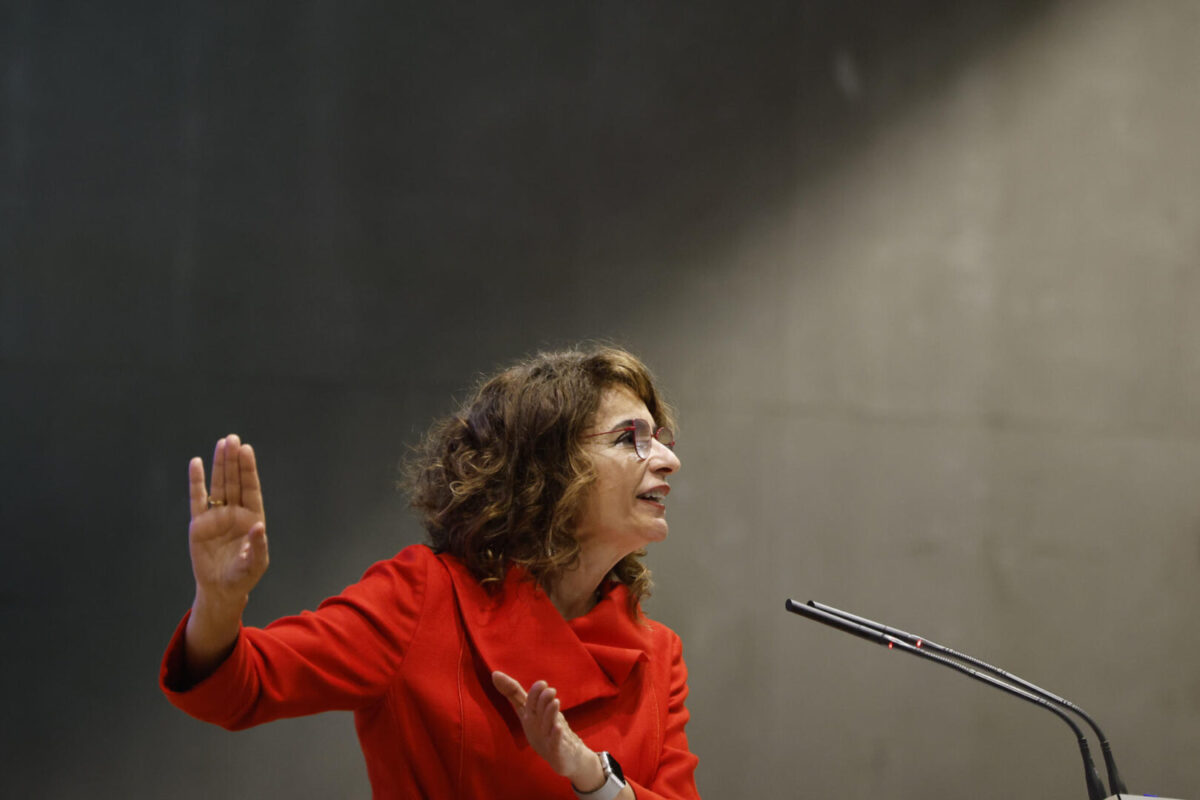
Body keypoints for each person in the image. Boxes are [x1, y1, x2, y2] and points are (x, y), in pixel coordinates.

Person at [160, 346, 701, 799]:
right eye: (630, 437)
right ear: (546, 468)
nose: (667, 460)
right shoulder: (424, 598)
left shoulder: (657, 654)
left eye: (659, 439)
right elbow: (238, 689)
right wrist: (219, 601)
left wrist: (591, 776)